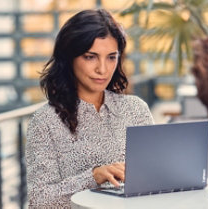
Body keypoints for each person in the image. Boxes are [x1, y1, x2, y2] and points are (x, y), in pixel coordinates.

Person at [25, 9, 154, 208]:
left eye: (111, 57)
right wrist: (94, 176)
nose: (102, 69)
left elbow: (153, 178)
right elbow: (40, 200)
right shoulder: (45, 122)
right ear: (69, 58)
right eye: (90, 57)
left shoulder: (136, 110)